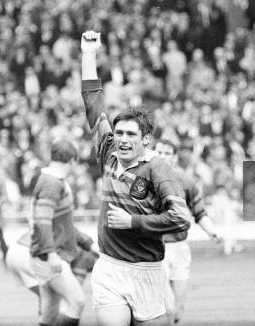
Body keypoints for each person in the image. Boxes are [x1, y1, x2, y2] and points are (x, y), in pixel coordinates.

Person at [80, 30, 191, 326]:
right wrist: (89, 54)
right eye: (119, 133)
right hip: (109, 269)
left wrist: (134, 222)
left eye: (131, 134)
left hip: (148, 271)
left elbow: (181, 219)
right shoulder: (108, 153)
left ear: (146, 139)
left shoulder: (158, 170)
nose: (123, 140)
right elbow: (92, 102)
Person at [154, 139, 223, 325]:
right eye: (158, 152)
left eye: (166, 153)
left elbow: (199, 211)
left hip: (180, 248)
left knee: (177, 310)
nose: (162, 156)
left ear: (174, 158)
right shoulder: (144, 180)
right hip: (155, 249)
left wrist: (212, 232)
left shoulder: (186, 182)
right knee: (167, 307)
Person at [29, 139, 86, 326]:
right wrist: (52, 254)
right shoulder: (52, 183)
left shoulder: (50, 180)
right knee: (77, 301)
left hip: (45, 254)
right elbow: (42, 221)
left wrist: (87, 242)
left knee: (50, 313)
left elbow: (61, 223)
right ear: (72, 160)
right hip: (50, 256)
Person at [6, 229, 98, 296]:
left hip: (14, 251)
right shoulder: (88, 256)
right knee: (68, 299)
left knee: (47, 300)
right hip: (29, 253)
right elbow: (76, 289)